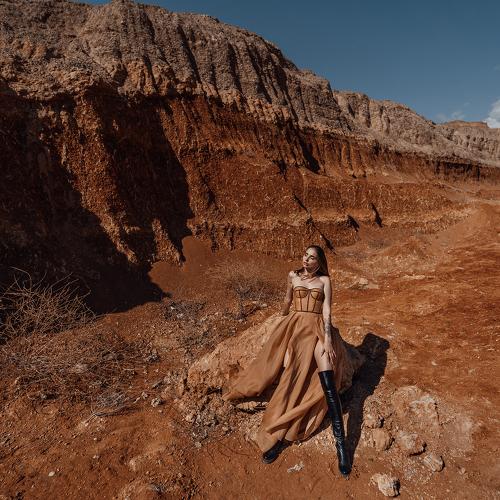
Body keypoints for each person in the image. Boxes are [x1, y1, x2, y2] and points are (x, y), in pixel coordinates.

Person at [222, 245, 351, 477]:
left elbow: (327, 312)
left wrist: (329, 339)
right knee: (292, 377)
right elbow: (287, 300)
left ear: (319, 262)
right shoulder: (292, 275)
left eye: (312, 258)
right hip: (296, 327)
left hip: (318, 329)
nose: (306, 260)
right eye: (305, 255)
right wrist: (277, 321)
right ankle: (279, 437)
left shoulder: (325, 281)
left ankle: (341, 445)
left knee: (329, 384)